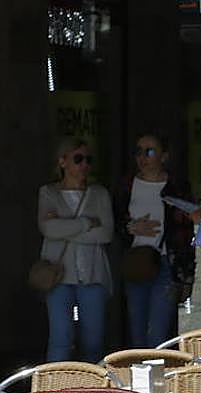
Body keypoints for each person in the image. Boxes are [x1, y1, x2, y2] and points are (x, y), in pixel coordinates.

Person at [37, 137, 114, 362]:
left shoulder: (99, 193)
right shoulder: (48, 192)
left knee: (93, 341)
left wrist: (64, 225)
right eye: (78, 159)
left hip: (92, 275)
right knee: (60, 338)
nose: (84, 165)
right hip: (58, 275)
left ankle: (90, 392)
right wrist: (87, 223)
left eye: (88, 160)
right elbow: (47, 228)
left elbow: (106, 233)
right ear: (62, 162)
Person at [114, 133, 195, 347]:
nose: (143, 157)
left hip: (167, 264)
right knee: (137, 332)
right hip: (136, 264)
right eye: (138, 151)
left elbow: (185, 232)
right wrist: (131, 227)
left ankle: (159, 379)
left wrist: (187, 277)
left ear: (164, 156)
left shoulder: (176, 186)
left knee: (158, 334)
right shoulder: (127, 185)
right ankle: (139, 380)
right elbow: (113, 221)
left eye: (150, 151)